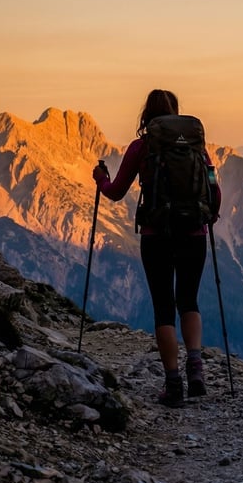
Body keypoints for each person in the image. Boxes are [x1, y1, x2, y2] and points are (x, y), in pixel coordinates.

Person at [93, 89, 211, 407]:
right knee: (189, 300)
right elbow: (213, 190)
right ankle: (196, 369)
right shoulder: (197, 147)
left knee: (163, 307)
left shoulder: (141, 147)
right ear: (177, 113)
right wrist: (205, 218)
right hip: (194, 233)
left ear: (147, 115)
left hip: (157, 235)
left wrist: (100, 180)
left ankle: (174, 385)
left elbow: (116, 191)